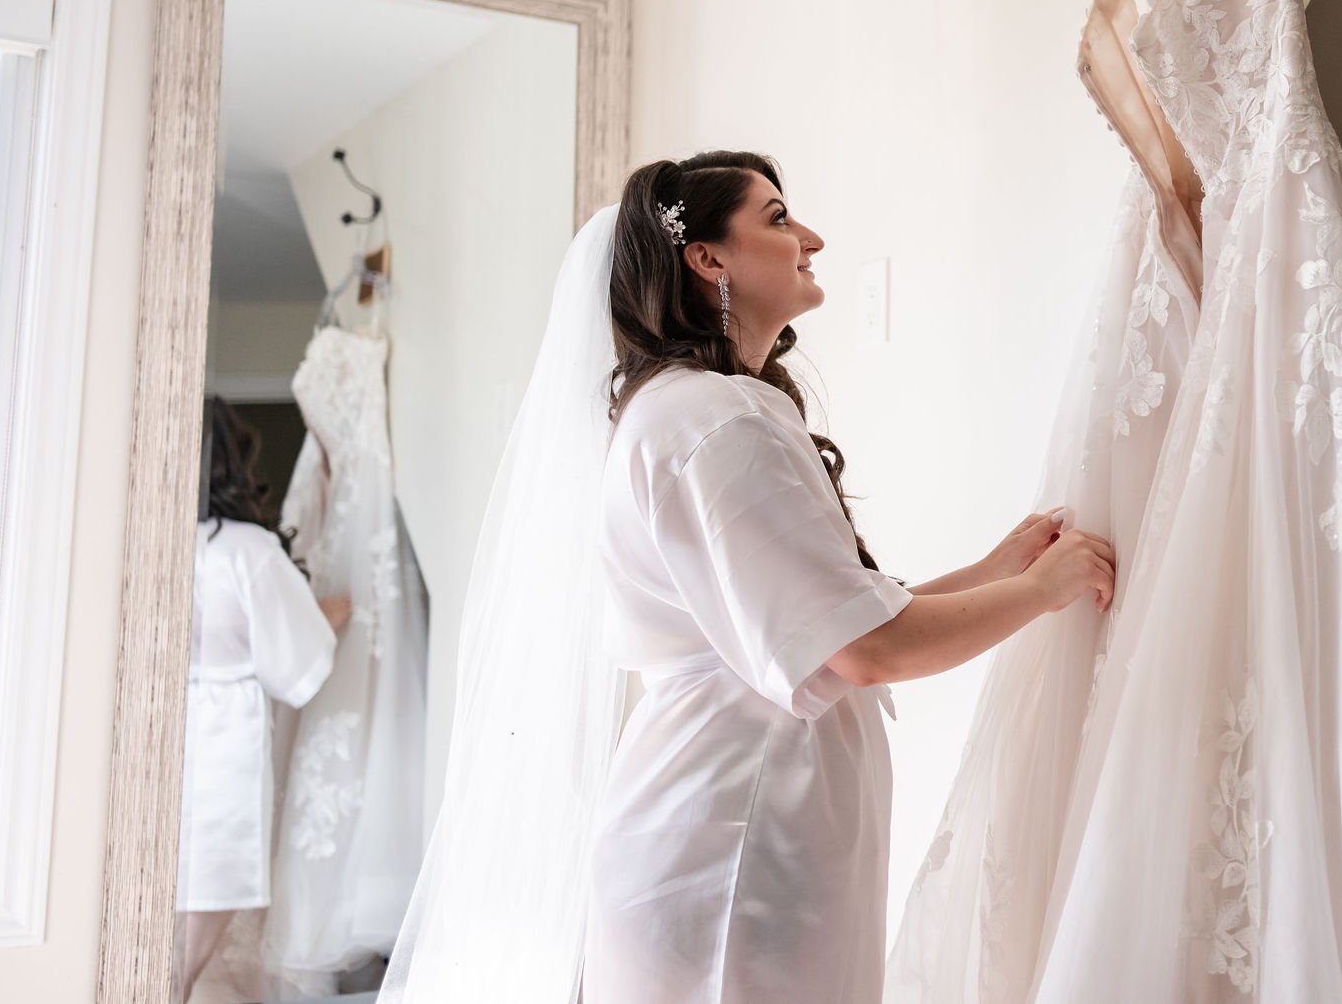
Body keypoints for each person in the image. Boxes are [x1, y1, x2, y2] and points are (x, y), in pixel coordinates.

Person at [379, 152, 1115, 1004]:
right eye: (776, 217)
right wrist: (1043, 589)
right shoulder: (713, 420)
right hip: (733, 841)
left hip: (740, 824)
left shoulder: (697, 408)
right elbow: (867, 648)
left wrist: (996, 568)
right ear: (708, 258)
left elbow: (836, 617)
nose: (811, 237)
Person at [174, 397, 348, 1002]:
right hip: (221, 740)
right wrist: (330, 616)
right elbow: (295, 668)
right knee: (202, 907)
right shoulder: (244, 550)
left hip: (161, 734)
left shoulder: (150, 542)